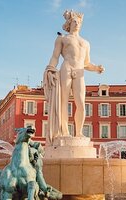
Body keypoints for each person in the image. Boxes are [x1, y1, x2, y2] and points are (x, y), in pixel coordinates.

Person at [44, 10, 104, 143]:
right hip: (66, 68)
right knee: (63, 102)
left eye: (79, 22)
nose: (77, 23)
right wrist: (50, 69)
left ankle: (79, 132)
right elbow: (55, 57)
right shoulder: (63, 38)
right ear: (69, 23)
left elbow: (86, 63)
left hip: (80, 71)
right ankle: (64, 132)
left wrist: (96, 68)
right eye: (74, 21)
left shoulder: (86, 43)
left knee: (81, 104)